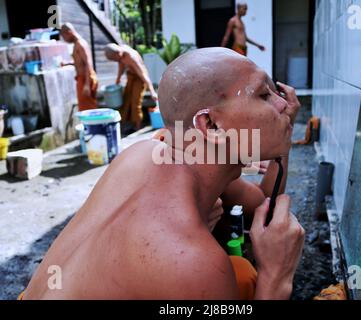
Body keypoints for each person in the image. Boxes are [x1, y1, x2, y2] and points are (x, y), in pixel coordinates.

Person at [22, 48, 304, 300]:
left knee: (240, 273)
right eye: (264, 95)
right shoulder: (192, 262)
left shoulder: (144, 153)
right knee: (243, 276)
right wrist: (276, 278)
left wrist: (281, 135)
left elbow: (263, 201)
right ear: (211, 126)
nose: (283, 105)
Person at [105, 43, 158, 130]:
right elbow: (121, 66)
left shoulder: (131, 57)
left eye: (115, 59)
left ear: (118, 54)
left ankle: (137, 127)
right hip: (130, 76)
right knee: (125, 100)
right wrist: (117, 81)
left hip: (139, 79)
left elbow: (143, 74)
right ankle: (124, 124)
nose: (116, 61)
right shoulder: (120, 54)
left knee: (135, 103)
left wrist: (152, 91)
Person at [60, 23, 98, 111]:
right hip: (83, 79)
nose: (64, 40)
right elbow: (80, 63)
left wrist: (87, 85)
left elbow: (88, 63)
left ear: (69, 32)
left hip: (86, 79)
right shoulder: (77, 44)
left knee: (88, 109)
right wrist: (67, 64)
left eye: (64, 37)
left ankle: (92, 125)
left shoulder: (80, 44)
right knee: (85, 108)